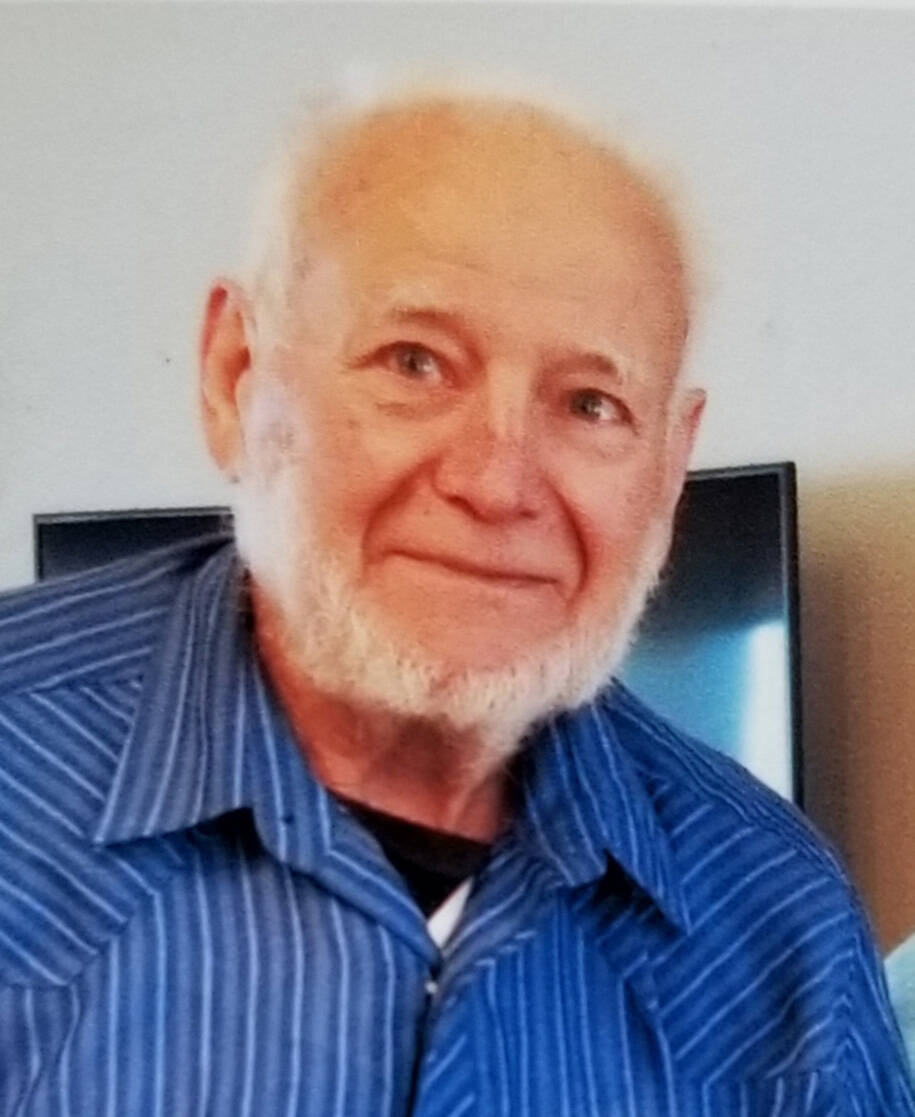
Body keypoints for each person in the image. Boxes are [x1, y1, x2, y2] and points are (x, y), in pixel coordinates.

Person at [0, 89, 911, 1116]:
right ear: (236, 376)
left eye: (591, 404)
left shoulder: (776, 916)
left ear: (666, 466)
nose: (496, 481)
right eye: (416, 362)